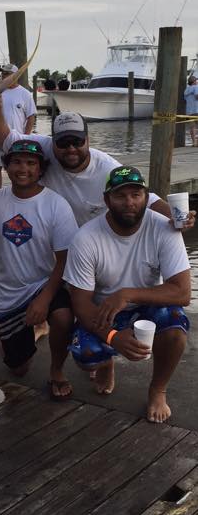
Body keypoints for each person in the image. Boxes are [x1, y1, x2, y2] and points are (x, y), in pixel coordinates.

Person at [64, 166, 191, 423]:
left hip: (145, 304)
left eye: (136, 194)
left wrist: (128, 294)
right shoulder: (86, 238)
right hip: (104, 312)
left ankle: (158, 389)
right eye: (121, 196)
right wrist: (112, 337)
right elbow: (81, 305)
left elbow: (183, 292)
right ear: (107, 199)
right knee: (86, 356)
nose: (129, 202)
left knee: (176, 326)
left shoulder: (164, 228)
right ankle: (106, 362)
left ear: (146, 196)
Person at [0, 101, 196, 230]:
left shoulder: (107, 167)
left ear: (88, 140)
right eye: (63, 142)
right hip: (54, 238)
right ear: (52, 142)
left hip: (94, 242)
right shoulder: (43, 148)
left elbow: (146, 199)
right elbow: (3, 138)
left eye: (77, 142)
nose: (71, 148)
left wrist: (178, 217)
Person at [0, 140, 77, 399]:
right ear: (6, 166)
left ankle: (57, 370)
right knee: (18, 370)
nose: (22, 168)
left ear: (40, 169)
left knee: (63, 317)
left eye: (30, 163)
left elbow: (63, 259)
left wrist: (44, 300)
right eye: (16, 161)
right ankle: (22, 336)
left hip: (43, 284)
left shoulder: (56, 204)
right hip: (8, 291)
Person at [0, 63, 37, 190]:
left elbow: (31, 117)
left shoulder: (25, 94)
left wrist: (25, 137)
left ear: (16, 75)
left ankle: (17, 192)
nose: (4, 76)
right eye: (3, 73)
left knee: (16, 167)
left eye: (7, 73)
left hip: (16, 138)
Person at [184, 74, 198, 146]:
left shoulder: (186, 90)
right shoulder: (196, 87)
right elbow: (196, 96)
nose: (197, 81)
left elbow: (185, 99)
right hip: (196, 109)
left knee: (192, 127)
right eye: (196, 80)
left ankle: (194, 142)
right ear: (194, 82)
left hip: (189, 111)